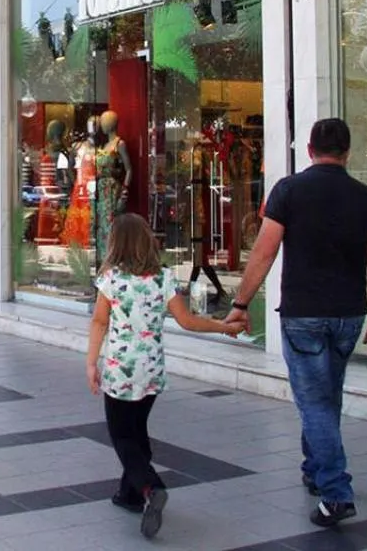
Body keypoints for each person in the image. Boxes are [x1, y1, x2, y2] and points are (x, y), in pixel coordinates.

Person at [223, 118, 367, 528]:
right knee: (327, 394)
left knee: (314, 400)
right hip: (349, 313)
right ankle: (315, 468)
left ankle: (336, 491)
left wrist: (241, 303)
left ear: (310, 149)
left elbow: (263, 252)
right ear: (347, 152)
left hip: (303, 314)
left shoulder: (289, 191)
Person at [87, 213, 244, 539]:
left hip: (121, 370)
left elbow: (100, 323)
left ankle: (150, 487)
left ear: (116, 243)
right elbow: (187, 321)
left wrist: (91, 363)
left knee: (122, 436)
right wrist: (224, 326)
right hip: (152, 371)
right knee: (137, 431)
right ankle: (129, 495)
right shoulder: (162, 279)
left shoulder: (112, 279)